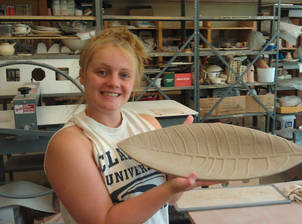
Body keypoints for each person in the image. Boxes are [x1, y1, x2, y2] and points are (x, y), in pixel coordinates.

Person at [45, 27, 220, 224]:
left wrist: (180, 174)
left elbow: (170, 200)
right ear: (83, 76)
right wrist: (170, 187)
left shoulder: (148, 125)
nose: (113, 82)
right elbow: (103, 220)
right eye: (102, 72)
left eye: (124, 75)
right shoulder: (70, 144)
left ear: (134, 81)